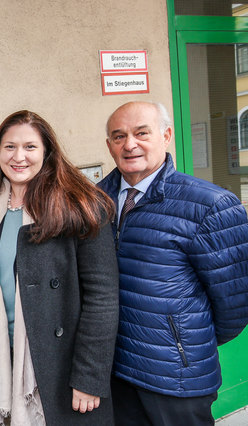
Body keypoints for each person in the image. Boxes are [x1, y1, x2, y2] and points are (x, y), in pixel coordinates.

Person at [0, 110, 119, 425]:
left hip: (62, 365)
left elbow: (102, 299)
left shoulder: (80, 206)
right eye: (9, 147)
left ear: (46, 152)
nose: (19, 156)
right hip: (3, 358)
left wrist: (89, 378)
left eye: (30, 147)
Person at [98, 101, 248, 425]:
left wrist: (182, 343)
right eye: (119, 136)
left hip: (176, 377)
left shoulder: (211, 205)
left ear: (166, 136)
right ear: (109, 145)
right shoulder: (94, 201)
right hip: (116, 372)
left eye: (141, 133)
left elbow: (234, 305)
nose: (130, 144)